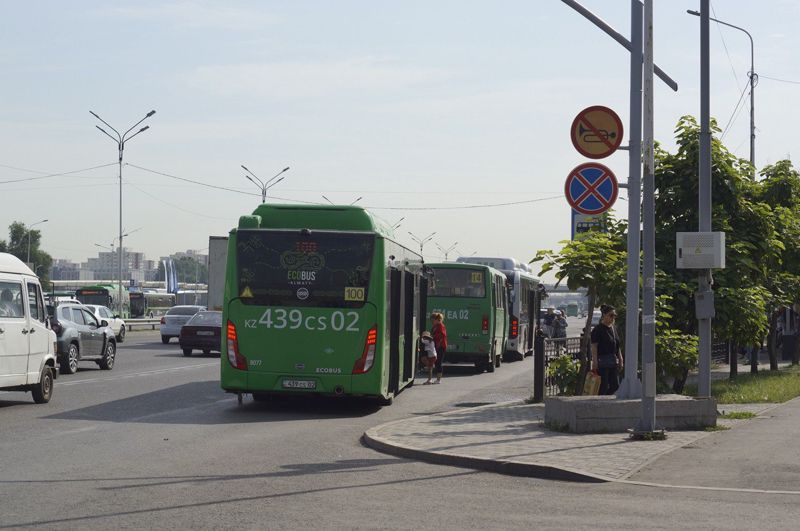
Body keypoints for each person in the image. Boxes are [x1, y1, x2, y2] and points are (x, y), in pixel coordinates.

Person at [590, 304, 623, 395]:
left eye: (614, 316)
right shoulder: (598, 329)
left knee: (615, 385)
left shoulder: (613, 329)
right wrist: (595, 361)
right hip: (602, 361)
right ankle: (601, 402)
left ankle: (607, 400)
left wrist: (620, 359)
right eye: (611, 315)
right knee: (603, 385)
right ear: (604, 315)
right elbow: (594, 346)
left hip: (613, 361)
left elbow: (617, 345)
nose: (613, 318)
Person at [431, 312, 448, 384]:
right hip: (436, 346)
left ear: (437, 319)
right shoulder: (435, 326)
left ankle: (439, 379)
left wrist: (434, 338)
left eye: (433, 320)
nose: (432, 321)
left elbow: (442, 335)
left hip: (441, 346)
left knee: (438, 362)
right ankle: (437, 378)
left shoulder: (441, 326)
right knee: (436, 362)